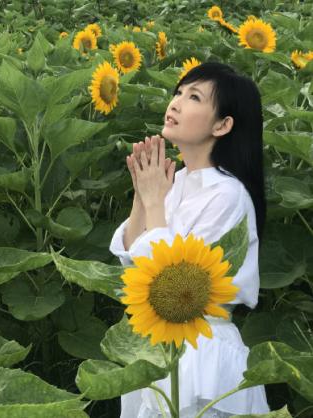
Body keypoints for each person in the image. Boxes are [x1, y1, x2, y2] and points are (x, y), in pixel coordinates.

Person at [109, 62, 271, 417]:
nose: (177, 103)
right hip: (158, 342)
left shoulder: (228, 194)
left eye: (194, 96)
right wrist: (142, 194)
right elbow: (132, 263)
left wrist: (154, 200)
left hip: (203, 347)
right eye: (178, 92)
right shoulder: (176, 181)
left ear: (223, 125)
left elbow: (173, 280)